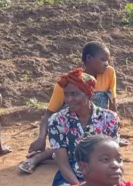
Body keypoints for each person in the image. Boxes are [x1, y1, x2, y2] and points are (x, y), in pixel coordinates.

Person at [22, 43, 118, 174]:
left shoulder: (109, 73)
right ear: (89, 58)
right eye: (103, 60)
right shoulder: (67, 83)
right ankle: (40, 157)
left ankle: (45, 156)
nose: (106, 63)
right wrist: (41, 138)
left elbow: (112, 100)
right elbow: (48, 115)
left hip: (99, 125)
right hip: (70, 129)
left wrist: (114, 125)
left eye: (107, 60)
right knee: (74, 147)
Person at [46, 69, 120, 186]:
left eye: (74, 94)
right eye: (66, 94)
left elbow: (112, 158)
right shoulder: (57, 120)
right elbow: (63, 164)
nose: (69, 99)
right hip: (70, 176)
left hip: (104, 174)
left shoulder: (110, 118)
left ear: (88, 93)